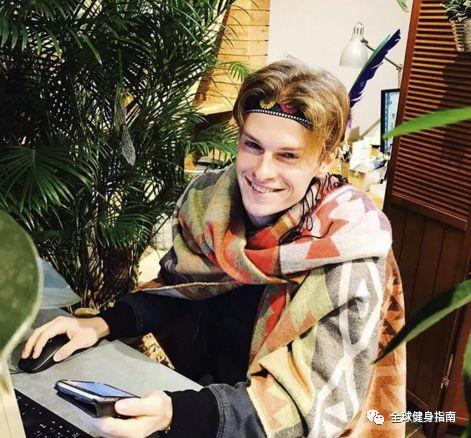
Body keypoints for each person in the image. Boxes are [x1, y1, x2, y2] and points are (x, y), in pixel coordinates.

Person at [21, 59, 406, 438]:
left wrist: (177, 413)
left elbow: (310, 406)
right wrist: (100, 324)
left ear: (324, 158)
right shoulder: (210, 203)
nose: (262, 172)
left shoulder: (349, 252)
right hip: (203, 395)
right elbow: (180, 288)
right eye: (252, 145)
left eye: (288, 155)